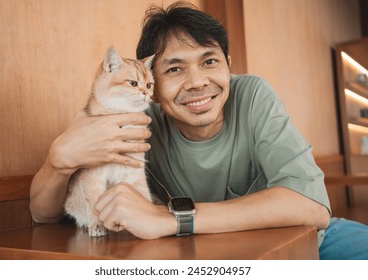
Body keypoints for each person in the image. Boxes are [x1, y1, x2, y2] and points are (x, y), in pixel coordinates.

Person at [30, 2, 368, 259]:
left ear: (228, 65)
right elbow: (43, 216)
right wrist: (58, 161)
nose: (197, 83)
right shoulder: (134, 120)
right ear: (154, 85)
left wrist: (172, 218)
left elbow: (313, 207)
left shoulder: (253, 95)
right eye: (175, 68)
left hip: (305, 243)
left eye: (209, 62)